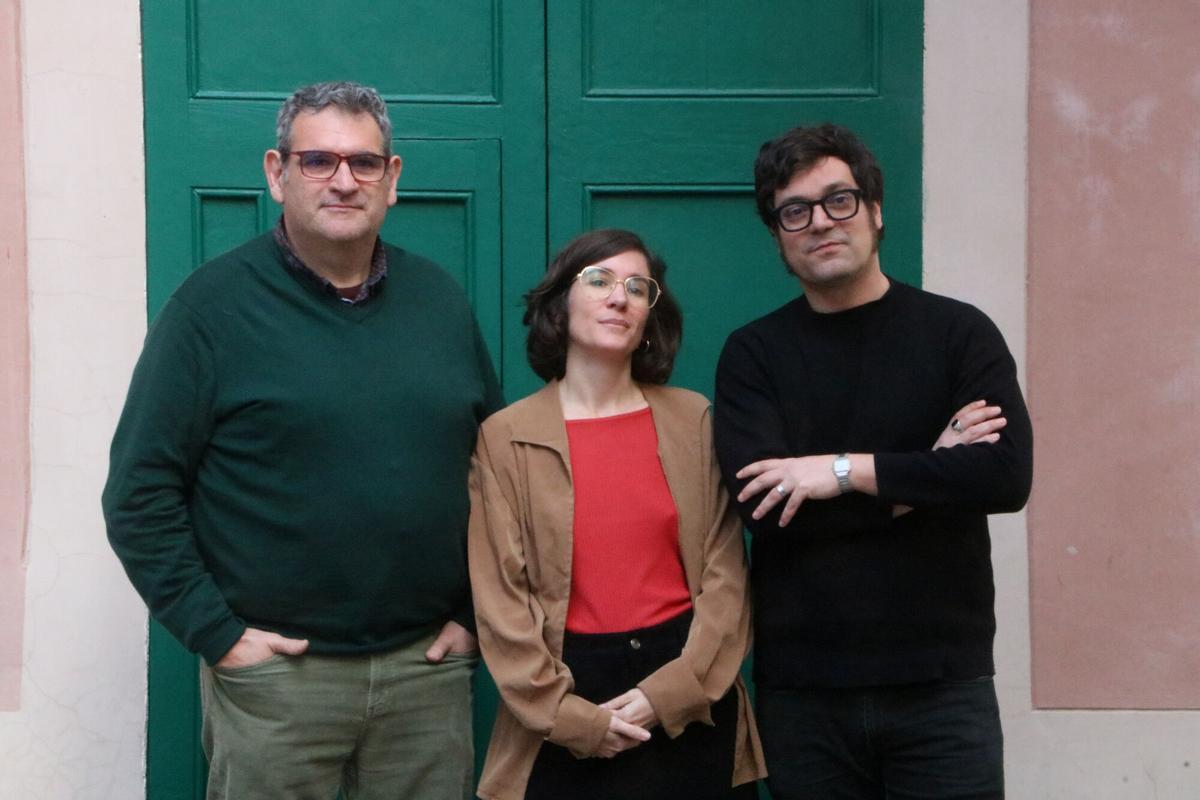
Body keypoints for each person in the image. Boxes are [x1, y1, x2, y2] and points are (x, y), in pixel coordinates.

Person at [102, 81, 502, 799]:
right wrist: (218, 635)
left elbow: (497, 473)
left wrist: (474, 618)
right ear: (276, 172)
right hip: (278, 683)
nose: (343, 181)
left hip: (426, 675)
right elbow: (139, 493)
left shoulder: (439, 300)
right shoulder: (210, 310)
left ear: (392, 178)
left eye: (364, 162)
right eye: (318, 160)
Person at [713, 124, 1033, 799]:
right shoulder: (754, 355)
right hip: (805, 694)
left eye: (839, 200)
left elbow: (1004, 476)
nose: (819, 222)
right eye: (794, 211)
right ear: (776, 234)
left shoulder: (958, 333)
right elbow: (766, 513)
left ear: (876, 210)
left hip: (942, 688)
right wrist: (928, 474)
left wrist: (839, 472)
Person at [467, 229, 766, 800]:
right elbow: (500, 599)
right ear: (560, 304)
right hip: (566, 691)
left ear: (650, 316)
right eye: (599, 280)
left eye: (637, 287)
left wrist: (670, 694)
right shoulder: (506, 437)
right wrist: (569, 718)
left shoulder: (693, 420)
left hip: (689, 687)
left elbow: (727, 575)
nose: (619, 297)